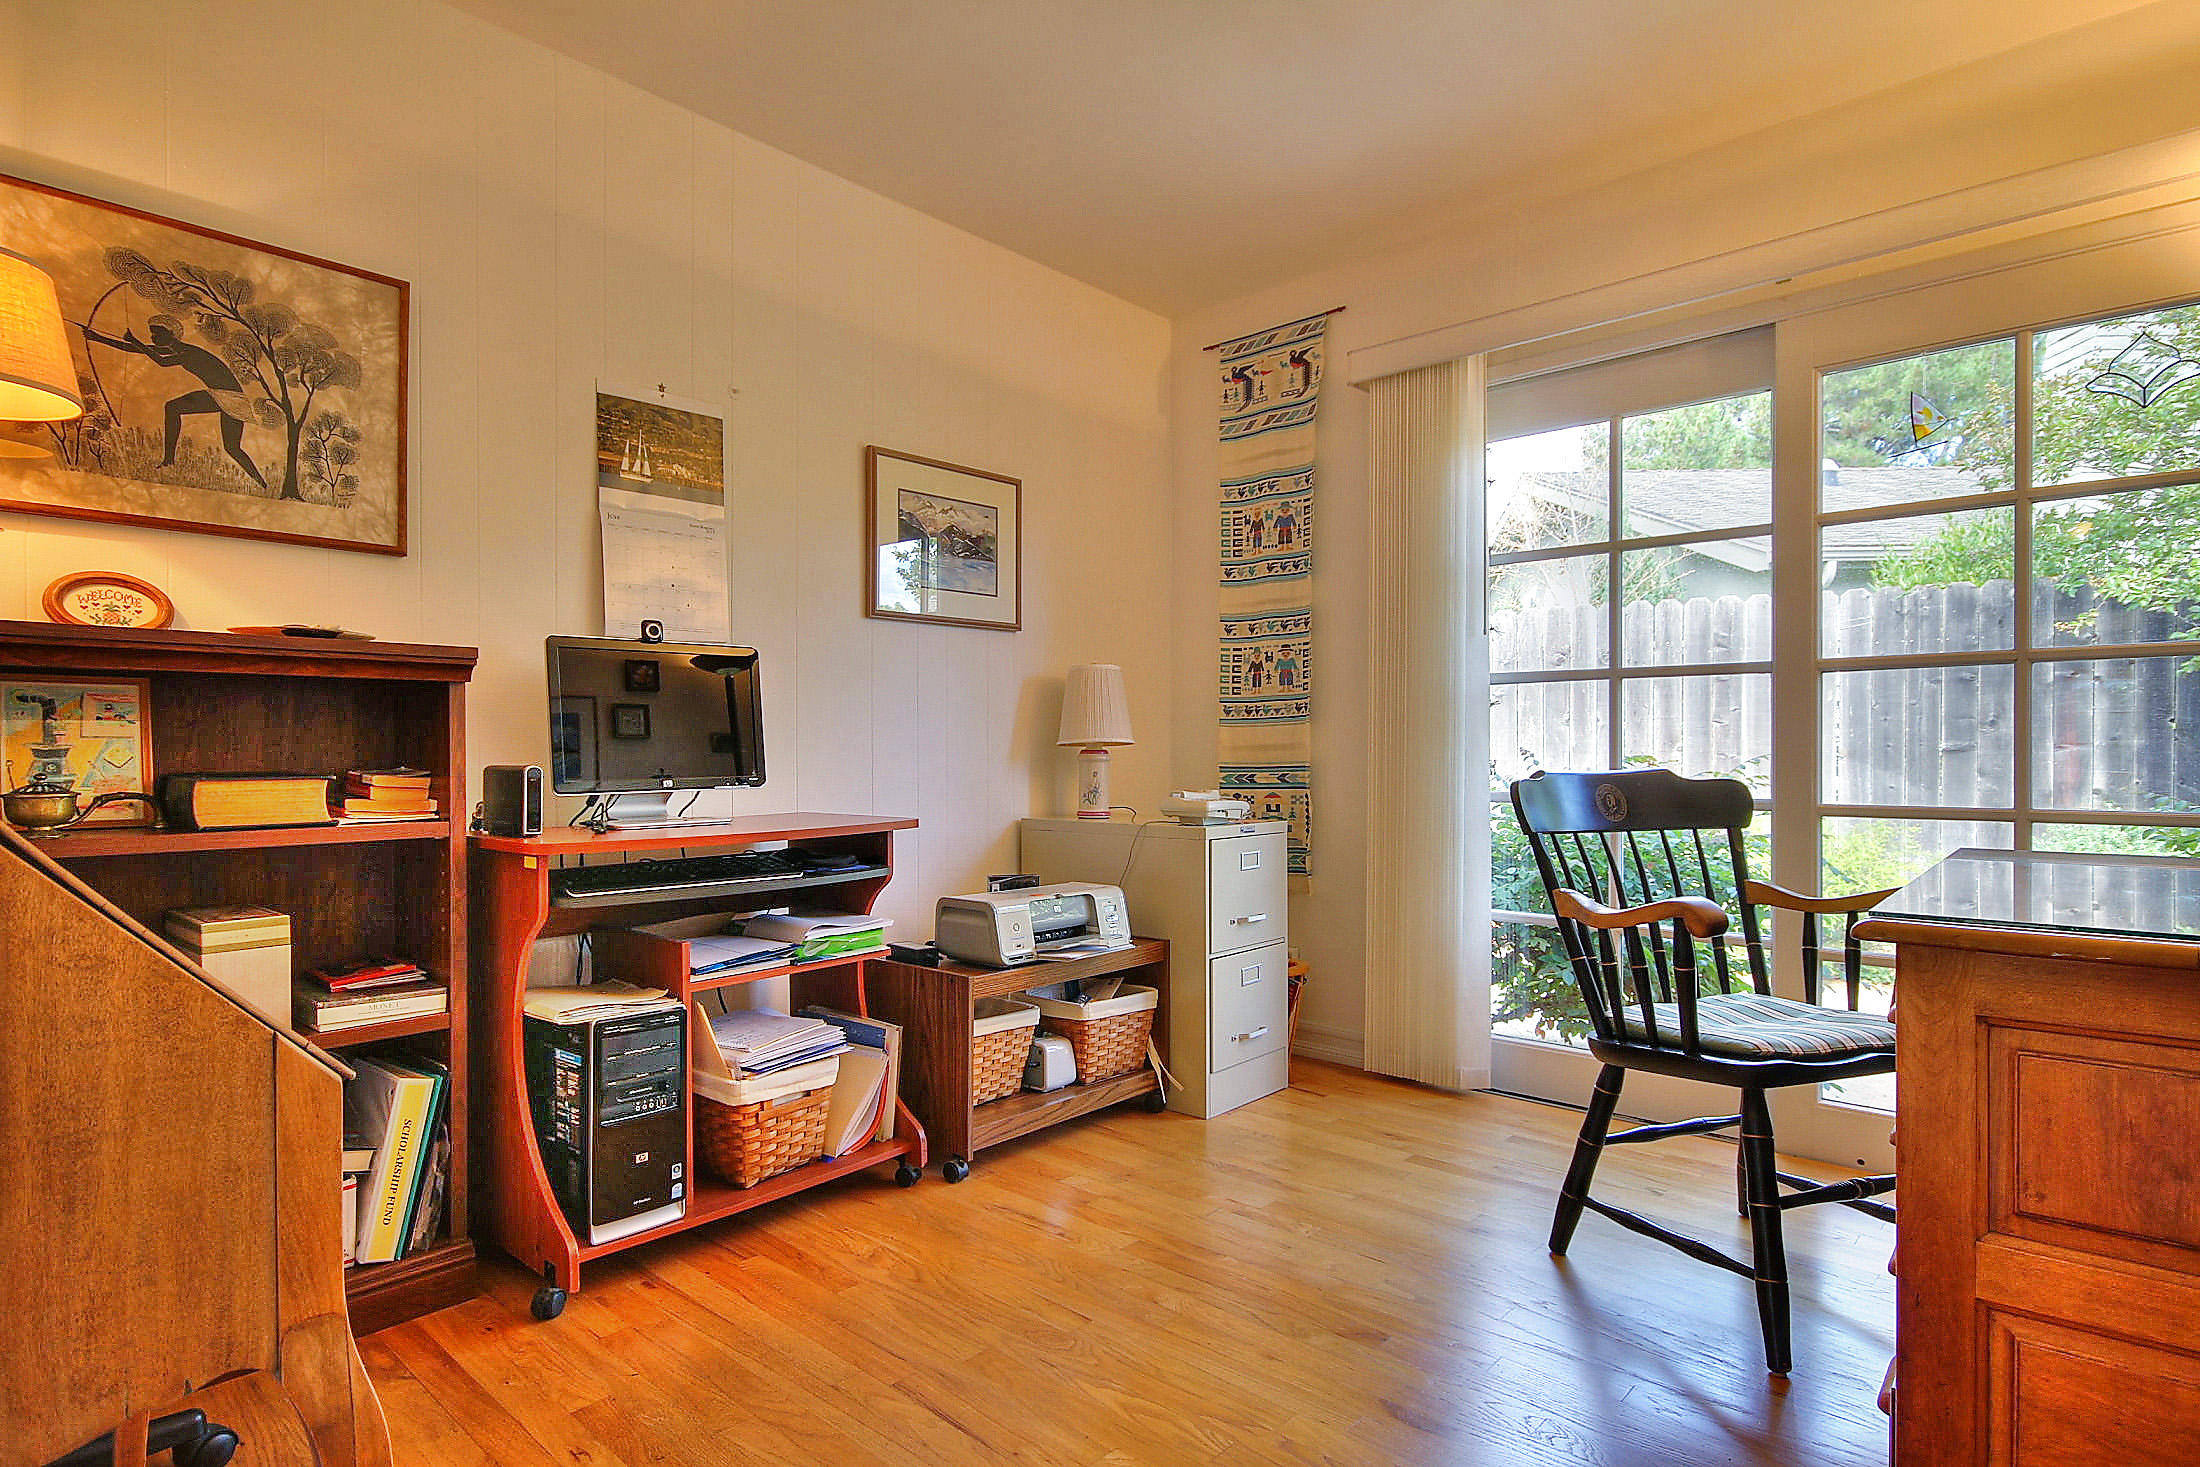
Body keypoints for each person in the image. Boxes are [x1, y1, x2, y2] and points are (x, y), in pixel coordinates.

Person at [79, 320, 268, 489]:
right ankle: (169, 459)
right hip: (218, 395)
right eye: (153, 334)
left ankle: (261, 483)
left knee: (232, 448)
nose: (154, 338)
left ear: (171, 334)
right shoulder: (175, 348)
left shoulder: (188, 352)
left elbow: (160, 361)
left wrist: (135, 341)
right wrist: (97, 338)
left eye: (157, 334)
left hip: (231, 397)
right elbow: (137, 349)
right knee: (173, 407)